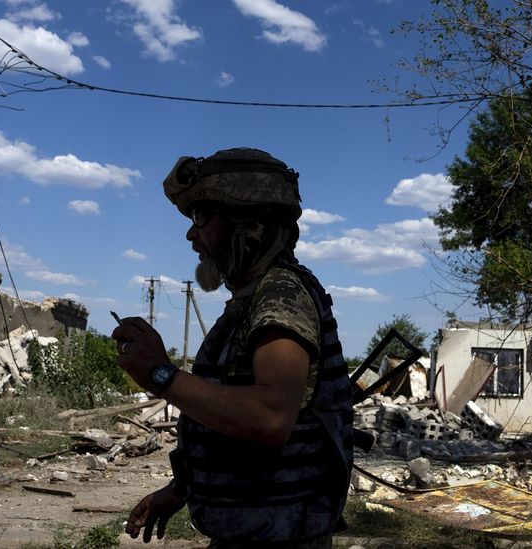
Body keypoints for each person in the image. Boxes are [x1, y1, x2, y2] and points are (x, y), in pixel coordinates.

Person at [112, 147, 353, 548]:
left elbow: (271, 417)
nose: (192, 234)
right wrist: (181, 489)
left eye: (201, 217)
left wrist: (160, 375)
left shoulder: (280, 293)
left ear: (247, 223)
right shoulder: (252, 301)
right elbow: (234, 423)